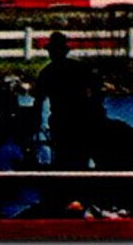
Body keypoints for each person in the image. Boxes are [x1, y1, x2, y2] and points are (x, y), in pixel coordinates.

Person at [31, 31, 100, 169]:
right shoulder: (80, 69)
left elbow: (38, 100)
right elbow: (96, 92)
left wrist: (35, 121)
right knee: (81, 156)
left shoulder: (47, 73)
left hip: (62, 121)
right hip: (82, 120)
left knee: (63, 157)